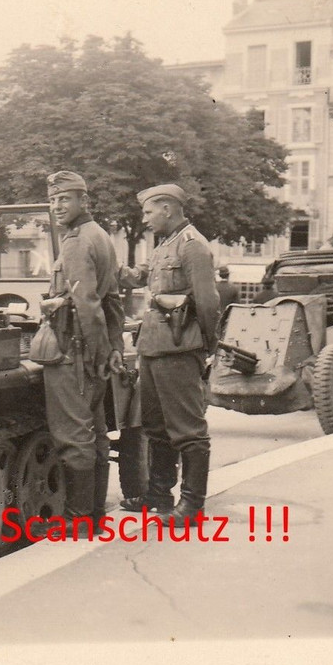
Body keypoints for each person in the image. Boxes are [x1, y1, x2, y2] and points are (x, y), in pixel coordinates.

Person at [121, 184, 220, 523]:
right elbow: (137, 277)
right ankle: (159, 496)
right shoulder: (164, 245)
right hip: (153, 347)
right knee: (155, 426)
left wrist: (207, 346)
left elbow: (207, 302)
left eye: (148, 212)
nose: (144, 219)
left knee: (188, 429)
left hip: (179, 347)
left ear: (167, 208)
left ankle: (192, 506)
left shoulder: (193, 246)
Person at [38, 171, 126, 529]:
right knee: (96, 433)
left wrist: (94, 354)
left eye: (65, 199)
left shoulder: (76, 241)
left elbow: (87, 304)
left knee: (73, 435)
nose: (58, 206)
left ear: (82, 201)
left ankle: (78, 522)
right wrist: (112, 349)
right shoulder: (101, 236)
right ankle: (94, 515)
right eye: (54, 199)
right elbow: (114, 300)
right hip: (90, 350)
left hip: (73, 351)